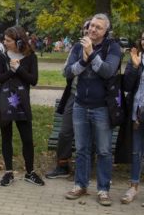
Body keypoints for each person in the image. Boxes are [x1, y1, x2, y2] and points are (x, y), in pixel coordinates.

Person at [64, 13, 121, 206]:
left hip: (102, 107)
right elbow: (67, 72)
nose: (92, 29)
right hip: (80, 104)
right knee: (82, 149)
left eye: (98, 27)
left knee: (104, 151)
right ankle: (80, 185)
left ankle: (103, 189)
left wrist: (92, 54)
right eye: (91, 26)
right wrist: (83, 59)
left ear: (106, 31)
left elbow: (107, 71)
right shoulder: (80, 46)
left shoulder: (113, 47)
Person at [0, 26, 45, 187]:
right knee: (6, 137)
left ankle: (30, 172)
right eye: (5, 40)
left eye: (8, 40)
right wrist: (10, 70)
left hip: (22, 103)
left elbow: (33, 80)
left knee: (27, 139)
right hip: (5, 103)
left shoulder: (30, 58)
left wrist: (19, 69)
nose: (5, 42)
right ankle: (8, 172)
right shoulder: (3, 57)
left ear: (18, 41)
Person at [46, 20, 90, 179]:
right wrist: (82, 62)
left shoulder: (105, 48)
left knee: (90, 133)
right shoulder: (77, 48)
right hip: (74, 94)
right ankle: (62, 165)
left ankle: (86, 167)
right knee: (65, 132)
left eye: (92, 28)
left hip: (95, 98)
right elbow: (66, 72)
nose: (88, 31)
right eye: (86, 28)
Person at [119, 32, 144, 205]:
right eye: (143, 37)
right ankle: (133, 186)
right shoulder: (137, 58)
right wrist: (135, 68)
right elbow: (127, 85)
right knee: (136, 152)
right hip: (138, 114)